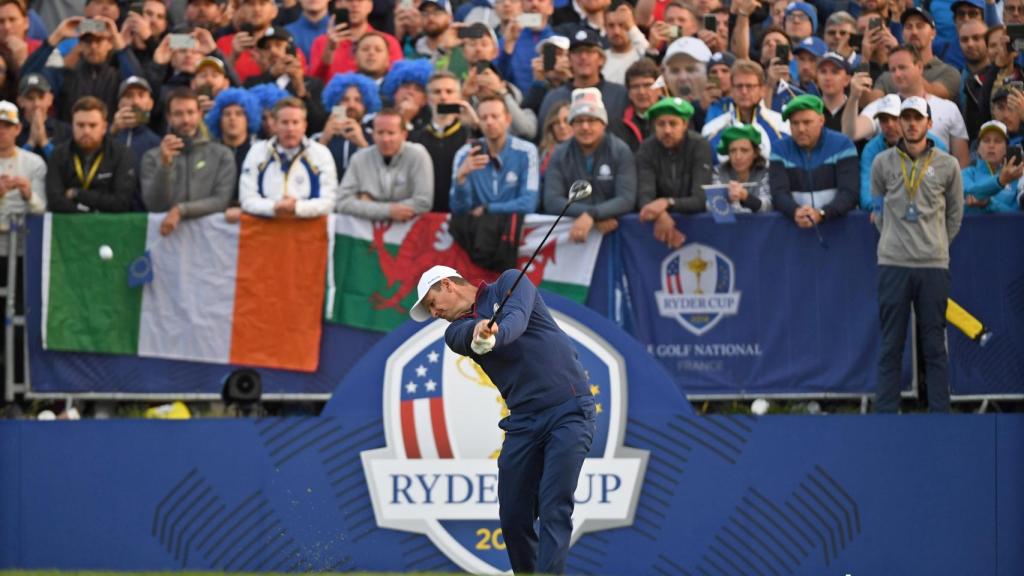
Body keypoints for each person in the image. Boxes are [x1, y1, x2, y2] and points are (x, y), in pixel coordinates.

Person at [407, 264, 596, 576]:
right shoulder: (454, 333)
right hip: (523, 423)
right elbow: (471, 338)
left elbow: (516, 321)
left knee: (554, 506)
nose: (433, 313)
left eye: (431, 302)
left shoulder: (509, 283)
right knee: (513, 517)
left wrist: (496, 334)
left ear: (448, 285)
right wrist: (482, 337)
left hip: (569, 410)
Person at [871, 96, 964, 413]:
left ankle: (940, 413)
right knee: (890, 344)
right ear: (897, 122)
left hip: (932, 265)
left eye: (916, 118)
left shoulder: (948, 164)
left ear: (928, 123)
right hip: (893, 264)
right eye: (904, 117)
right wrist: (894, 241)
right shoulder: (882, 162)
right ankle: (886, 412)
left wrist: (935, 244)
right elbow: (878, 210)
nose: (910, 123)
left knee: (934, 344)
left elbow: (955, 216)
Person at [846, 46, 971, 167]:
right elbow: (852, 133)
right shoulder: (882, 106)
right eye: (893, 70)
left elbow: (962, 162)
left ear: (920, 67)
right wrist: (853, 98)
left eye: (902, 68)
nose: (897, 74)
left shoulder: (948, 108)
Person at [543, 87, 636, 242]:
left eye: (592, 120)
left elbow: (626, 198)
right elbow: (552, 201)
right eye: (579, 121)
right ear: (572, 125)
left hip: (616, 235)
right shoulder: (560, 154)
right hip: (574, 239)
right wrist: (593, 215)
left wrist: (592, 215)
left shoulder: (620, 150)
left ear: (603, 123)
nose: (585, 127)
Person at [141, 88, 236, 235]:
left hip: (212, 241)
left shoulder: (222, 155)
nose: (185, 120)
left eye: (190, 112)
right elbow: (154, 205)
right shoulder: (151, 157)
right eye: (178, 114)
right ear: (168, 117)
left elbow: (221, 201)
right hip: (165, 242)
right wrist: (165, 166)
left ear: (200, 114)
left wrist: (181, 210)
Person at [22, 15, 143, 122]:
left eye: (99, 40)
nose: (93, 46)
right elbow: (28, 76)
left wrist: (117, 38)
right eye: (87, 41)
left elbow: (138, 82)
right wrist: (57, 35)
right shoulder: (65, 75)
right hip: (69, 142)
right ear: (79, 44)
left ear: (110, 44)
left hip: (109, 140)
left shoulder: (116, 76)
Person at [239, 96, 338, 217]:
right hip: (266, 230)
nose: (290, 128)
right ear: (274, 125)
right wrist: (274, 207)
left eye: (295, 122)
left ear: (304, 125)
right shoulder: (257, 151)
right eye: (285, 122)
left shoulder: (321, 153)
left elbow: (329, 201)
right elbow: (247, 199)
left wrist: (297, 208)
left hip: (309, 230)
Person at [769, 94, 858, 228]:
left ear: (821, 120)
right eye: (794, 123)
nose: (801, 129)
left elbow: (849, 192)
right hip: (795, 230)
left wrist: (822, 214)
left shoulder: (843, 145)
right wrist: (795, 212)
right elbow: (779, 193)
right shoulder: (779, 149)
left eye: (807, 122)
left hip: (839, 229)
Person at [636, 96, 712, 249]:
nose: (667, 130)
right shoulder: (646, 148)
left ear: (684, 124)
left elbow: (700, 199)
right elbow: (644, 196)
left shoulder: (700, 145)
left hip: (700, 229)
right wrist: (661, 215)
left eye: (673, 124)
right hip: (659, 230)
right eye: (661, 124)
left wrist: (667, 203)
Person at [336, 107, 434, 220]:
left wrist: (367, 204)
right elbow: (342, 202)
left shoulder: (418, 155)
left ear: (404, 135)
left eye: (391, 133)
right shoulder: (359, 158)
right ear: (373, 134)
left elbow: (423, 202)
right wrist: (388, 211)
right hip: (367, 234)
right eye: (380, 132)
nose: (385, 139)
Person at [858, 93, 949, 211]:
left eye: (895, 118)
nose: (889, 125)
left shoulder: (936, 145)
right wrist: (883, 208)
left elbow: (947, 191)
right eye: (884, 119)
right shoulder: (871, 149)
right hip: (889, 216)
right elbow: (866, 194)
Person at [45, 96, 136, 213]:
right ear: (72, 125)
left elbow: (121, 203)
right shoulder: (58, 154)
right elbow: (55, 201)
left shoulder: (121, 154)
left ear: (104, 127)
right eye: (80, 125)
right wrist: (89, 209)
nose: (86, 131)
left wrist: (77, 194)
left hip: (111, 227)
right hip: (68, 227)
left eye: (92, 125)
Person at [450, 96, 540, 214]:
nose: (489, 122)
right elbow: (458, 210)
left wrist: (488, 209)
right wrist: (461, 180)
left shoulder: (527, 151)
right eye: (483, 118)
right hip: (477, 229)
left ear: (508, 119)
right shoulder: (464, 154)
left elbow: (528, 204)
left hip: (514, 228)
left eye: (495, 116)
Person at [537, 27, 628, 133]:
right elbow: (545, 138)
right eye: (577, 52)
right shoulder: (554, 98)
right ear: (569, 59)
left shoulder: (619, 94)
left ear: (601, 59)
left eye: (589, 51)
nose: (583, 57)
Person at [702, 59, 790, 164]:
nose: (744, 92)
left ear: (762, 90)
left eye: (750, 86)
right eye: (739, 86)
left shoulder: (782, 126)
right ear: (732, 90)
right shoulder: (711, 130)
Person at [410, 71, 473, 212]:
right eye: (437, 92)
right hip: (424, 215)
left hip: (461, 214)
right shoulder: (415, 138)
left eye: (449, 92)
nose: (443, 97)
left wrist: (475, 124)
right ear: (427, 98)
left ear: (460, 97)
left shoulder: (469, 136)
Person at [308, 0, 403, 82]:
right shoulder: (322, 43)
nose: (355, 5)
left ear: (370, 6)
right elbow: (315, 85)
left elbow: (397, 81)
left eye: (360, 0)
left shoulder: (388, 42)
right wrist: (329, 51)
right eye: (349, 0)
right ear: (338, 4)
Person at [319, 72, 379, 180]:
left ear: (366, 105)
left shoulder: (375, 136)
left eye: (358, 100)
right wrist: (324, 140)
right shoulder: (317, 138)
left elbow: (382, 171)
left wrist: (362, 143)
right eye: (345, 100)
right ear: (336, 103)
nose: (351, 105)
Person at [0, 99, 45, 235]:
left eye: (7, 126)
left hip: (24, 245)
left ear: (18, 128)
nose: (1, 132)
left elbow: (43, 209)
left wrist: (29, 195)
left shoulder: (35, 163)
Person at [961, 120, 1023, 213]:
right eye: (986, 140)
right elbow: (970, 192)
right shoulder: (966, 173)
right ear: (978, 148)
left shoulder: (1016, 177)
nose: (991, 145)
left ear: (1006, 148)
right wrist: (1000, 181)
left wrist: (989, 204)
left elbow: (1018, 217)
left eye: (997, 141)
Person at [710, 124, 772, 213]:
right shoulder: (718, 172)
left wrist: (746, 197)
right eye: (733, 151)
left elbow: (768, 206)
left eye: (744, 150)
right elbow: (710, 205)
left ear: (755, 153)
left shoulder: (764, 173)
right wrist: (727, 197)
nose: (738, 157)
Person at [205, 86, 262, 178]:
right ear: (219, 120)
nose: (232, 118)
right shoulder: (209, 154)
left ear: (248, 119)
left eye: (239, 114)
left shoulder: (260, 151)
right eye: (227, 114)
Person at [110, 76, 161, 178]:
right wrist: (112, 131)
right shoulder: (107, 136)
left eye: (141, 95)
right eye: (129, 96)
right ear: (119, 104)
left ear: (150, 104)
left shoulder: (156, 142)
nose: (135, 101)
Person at [15, 72, 69, 160]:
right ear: (20, 101)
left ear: (50, 99)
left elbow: (66, 166)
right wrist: (30, 143)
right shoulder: (12, 130)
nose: (36, 104)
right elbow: (10, 164)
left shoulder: (64, 130)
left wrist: (45, 143)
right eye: (30, 98)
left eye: (41, 97)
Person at [538, 101, 571, 174]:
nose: (562, 126)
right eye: (556, 122)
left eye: (566, 120)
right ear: (551, 127)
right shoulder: (544, 154)